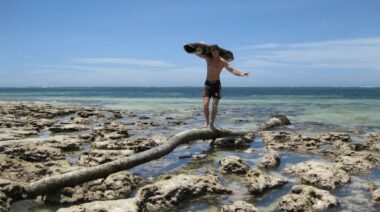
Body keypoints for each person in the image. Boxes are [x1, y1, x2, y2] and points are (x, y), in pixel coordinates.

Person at [195, 44, 250, 129]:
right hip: (207, 84)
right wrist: (200, 45)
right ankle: (207, 122)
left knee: (215, 105)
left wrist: (241, 73)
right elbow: (198, 54)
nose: (215, 53)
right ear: (211, 52)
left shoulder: (222, 61)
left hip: (216, 84)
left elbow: (232, 70)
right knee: (205, 104)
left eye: (216, 51)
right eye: (213, 51)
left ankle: (212, 124)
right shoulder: (208, 59)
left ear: (218, 51)